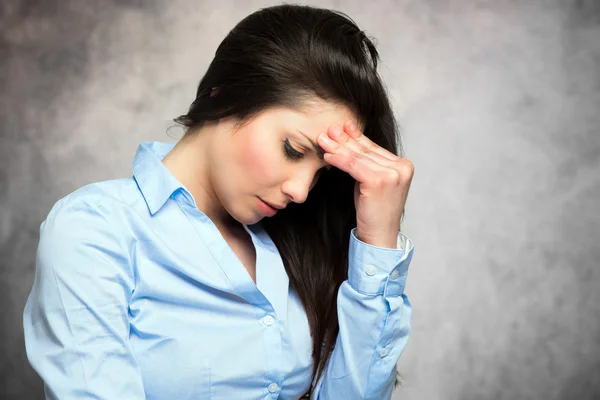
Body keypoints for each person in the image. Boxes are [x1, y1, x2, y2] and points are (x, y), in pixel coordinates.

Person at [22, 3, 415, 399]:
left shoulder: (293, 242)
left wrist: (378, 238)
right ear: (226, 95)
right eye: (294, 149)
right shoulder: (96, 231)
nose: (301, 191)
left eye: (321, 173)